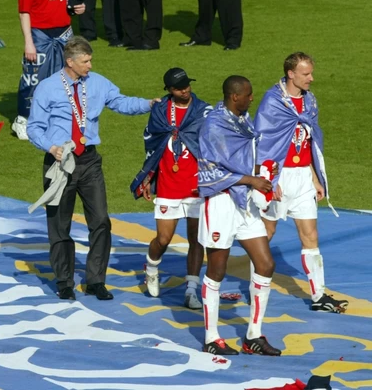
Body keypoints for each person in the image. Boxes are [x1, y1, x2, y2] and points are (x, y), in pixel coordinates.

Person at [27, 36, 158, 301]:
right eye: (85, 61)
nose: (90, 65)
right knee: (59, 225)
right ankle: (64, 281)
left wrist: (148, 104)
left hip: (88, 161)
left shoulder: (96, 82)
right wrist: (51, 148)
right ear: (70, 61)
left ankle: (96, 280)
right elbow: (33, 127)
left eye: (90, 60)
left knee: (100, 221)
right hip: (59, 164)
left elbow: (120, 101)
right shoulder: (48, 88)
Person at [253, 52, 347, 313]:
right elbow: (262, 143)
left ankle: (318, 296)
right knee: (264, 234)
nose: (311, 78)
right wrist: (268, 179)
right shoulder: (272, 102)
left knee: (311, 236)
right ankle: (255, 287)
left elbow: (308, 142)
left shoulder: (309, 101)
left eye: (311, 73)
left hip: (303, 178)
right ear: (290, 74)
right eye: (306, 74)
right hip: (278, 177)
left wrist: (315, 178)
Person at [197, 75, 281, 356]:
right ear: (235, 97)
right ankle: (211, 337)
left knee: (265, 263)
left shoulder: (243, 121)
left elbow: (250, 154)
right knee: (217, 270)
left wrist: (265, 178)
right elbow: (210, 171)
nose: (251, 98)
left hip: (244, 202)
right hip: (221, 203)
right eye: (248, 94)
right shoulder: (214, 125)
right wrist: (251, 180)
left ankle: (253, 336)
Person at [130, 68, 211, 308]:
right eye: (179, 88)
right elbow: (152, 144)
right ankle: (152, 267)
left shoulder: (202, 111)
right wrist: (148, 177)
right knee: (163, 239)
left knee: (197, 240)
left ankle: (191, 290)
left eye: (187, 85)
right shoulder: (159, 111)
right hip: (168, 184)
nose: (185, 90)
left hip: (197, 184)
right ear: (169, 90)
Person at [12, 0, 86, 141]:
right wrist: (28, 42)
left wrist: (76, 8)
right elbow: (24, 12)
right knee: (33, 77)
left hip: (64, 33)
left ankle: (56, 118)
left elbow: (64, 1)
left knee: (66, 77)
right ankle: (23, 120)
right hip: (40, 34)